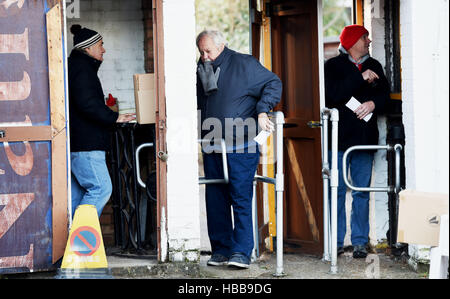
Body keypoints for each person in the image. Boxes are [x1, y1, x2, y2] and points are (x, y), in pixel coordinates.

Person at [196, 30, 282, 269]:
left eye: (208, 51)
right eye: (201, 52)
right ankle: (221, 250)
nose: (204, 56)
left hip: (241, 145)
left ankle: (241, 253)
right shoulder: (202, 66)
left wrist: (263, 109)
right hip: (212, 144)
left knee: (241, 197)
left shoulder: (245, 64)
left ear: (221, 46)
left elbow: (273, 83)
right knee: (215, 199)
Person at [325, 25, 390, 258]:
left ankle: (361, 242)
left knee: (361, 191)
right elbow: (332, 96)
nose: (369, 41)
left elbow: (385, 97)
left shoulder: (375, 66)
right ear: (352, 41)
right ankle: (337, 241)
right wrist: (359, 77)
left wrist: (373, 103)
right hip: (339, 140)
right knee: (338, 191)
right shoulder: (332, 66)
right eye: (365, 37)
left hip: (364, 139)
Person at [68, 24, 135, 218]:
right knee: (101, 189)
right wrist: (114, 116)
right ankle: (81, 242)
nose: (104, 49)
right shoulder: (83, 70)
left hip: (77, 145)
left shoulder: (75, 67)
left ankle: (73, 242)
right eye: (100, 45)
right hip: (87, 146)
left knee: (79, 195)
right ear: (88, 48)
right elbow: (87, 103)